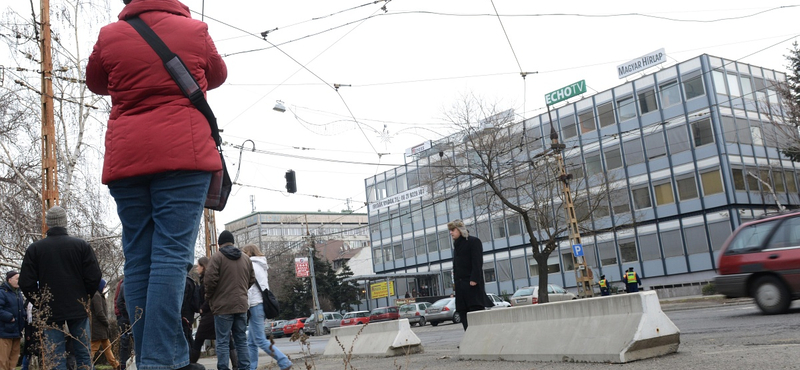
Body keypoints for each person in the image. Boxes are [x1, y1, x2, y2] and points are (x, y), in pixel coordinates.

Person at [85, 0, 227, 368]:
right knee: (171, 257)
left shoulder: (110, 35)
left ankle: (152, 357)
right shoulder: (195, 31)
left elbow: (96, 82)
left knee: (139, 259)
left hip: (128, 157)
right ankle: (163, 359)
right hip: (185, 153)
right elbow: (218, 74)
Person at [19, 205, 102, 370]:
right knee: (84, 354)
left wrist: (40, 302)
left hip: (50, 309)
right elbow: (94, 277)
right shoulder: (81, 246)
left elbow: (25, 283)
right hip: (77, 305)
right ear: (65, 223)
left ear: (48, 224)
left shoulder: (35, 249)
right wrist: (85, 295)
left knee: (55, 357)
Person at [205, 231, 254, 370]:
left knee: (222, 342)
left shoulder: (217, 257)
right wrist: (242, 292)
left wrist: (210, 297)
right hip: (241, 306)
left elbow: (209, 281)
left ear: (219, 244)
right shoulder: (245, 258)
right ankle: (245, 368)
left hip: (223, 306)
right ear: (232, 242)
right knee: (241, 340)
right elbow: (252, 279)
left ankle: (223, 368)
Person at [241, 244, 292, 370]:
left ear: (248, 253)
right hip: (259, 305)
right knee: (251, 342)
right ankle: (251, 367)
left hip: (255, 305)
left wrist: (245, 305)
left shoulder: (251, 266)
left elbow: (250, 288)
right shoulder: (261, 265)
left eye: (244, 253)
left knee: (260, 340)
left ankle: (284, 361)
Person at [190, 258, 238, 368]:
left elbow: (210, 296)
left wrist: (202, 308)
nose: (197, 268)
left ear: (203, 266)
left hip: (210, 313)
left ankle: (191, 364)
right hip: (216, 312)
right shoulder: (206, 278)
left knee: (199, 338)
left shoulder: (207, 279)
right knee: (227, 339)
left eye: (198, 266)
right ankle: (236, 365)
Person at [448, 220, 493, 331]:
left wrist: (474, 279)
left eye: (453, 230)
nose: (451, 233)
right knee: (463, 312)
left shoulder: (473, 241)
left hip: (472, 285)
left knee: (475, 311)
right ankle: (468, 336)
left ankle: (479, 336)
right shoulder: (456, 245)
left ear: (460, 229)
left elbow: (477, 262)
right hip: (460, 287)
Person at [91, 279, 120, 369]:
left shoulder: (98, 295)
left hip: (102, 329)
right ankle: (85, 365)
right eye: (103, 286)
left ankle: (116, 365)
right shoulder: (96, 296)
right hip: (98, 328)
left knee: (107, 347)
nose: (104, 288)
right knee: (93, 348)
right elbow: (99, 312)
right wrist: (106, 322)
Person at [0, 270, 25, 370]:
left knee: (14, 359)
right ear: (9, 280)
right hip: (4, 332)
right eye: (17, 279)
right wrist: (9, 317)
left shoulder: (19, 294)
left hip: (17, 331)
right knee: (3, 360)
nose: (19, 281)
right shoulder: (2, 292)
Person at [114, 278, 132, 370]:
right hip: (127, 317)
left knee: (124, 342)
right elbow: (120, 302)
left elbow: (119, 302)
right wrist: (128, 315)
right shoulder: (126, 284)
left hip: (123, 317)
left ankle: (123, 365)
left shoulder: (122, 284)